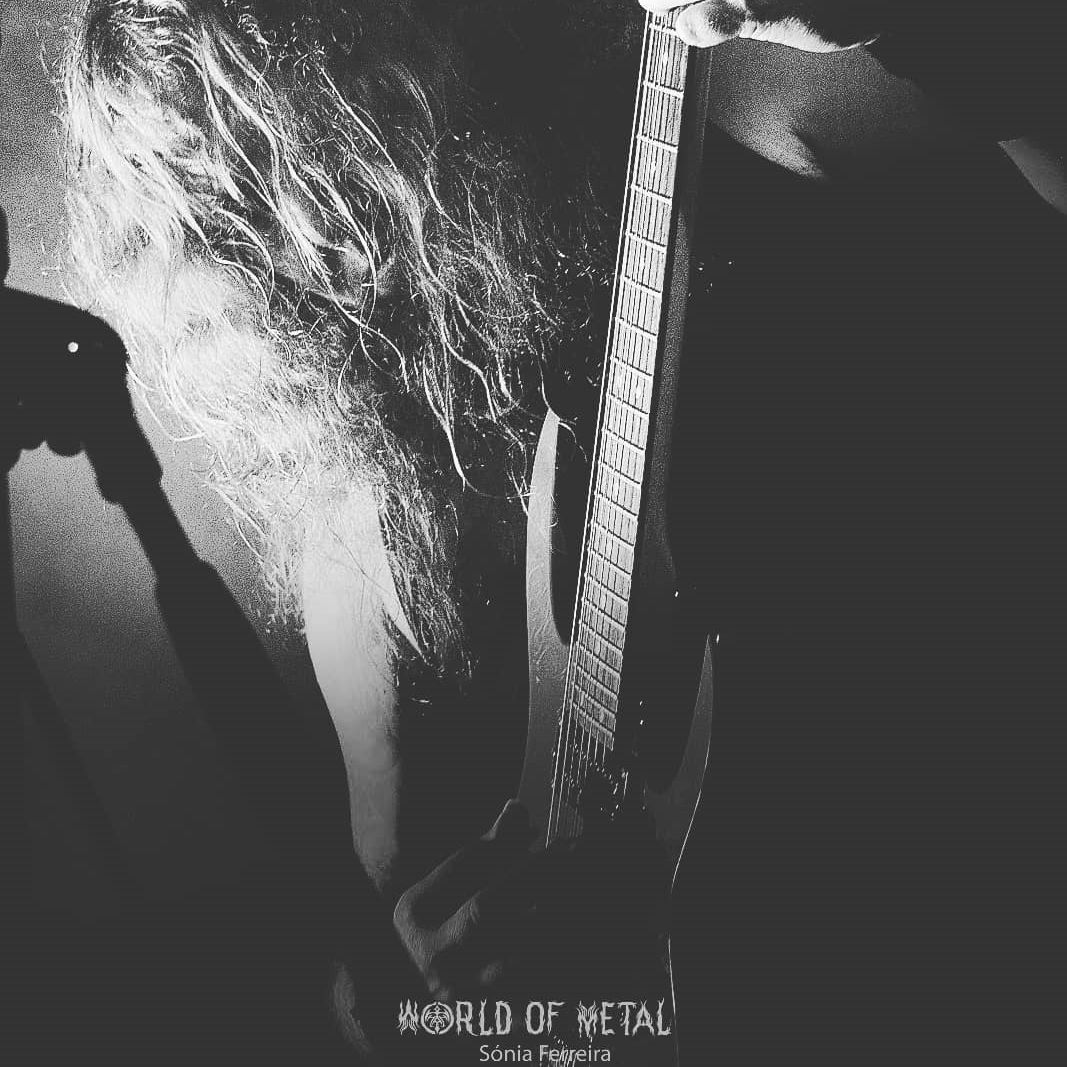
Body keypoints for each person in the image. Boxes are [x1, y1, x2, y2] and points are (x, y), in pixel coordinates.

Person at [62, 0, 1064, 1061]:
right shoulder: (365, 535)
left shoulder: (724, 87)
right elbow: (380, 936)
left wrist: (913, 23)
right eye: (244, 224)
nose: (328, 250)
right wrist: (398, 989)